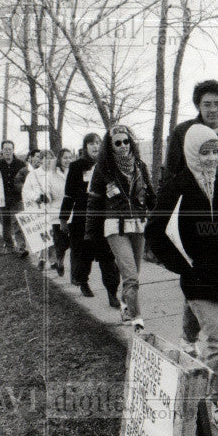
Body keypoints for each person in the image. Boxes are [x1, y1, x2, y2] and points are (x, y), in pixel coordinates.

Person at [146, 124, 218, 436]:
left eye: (214, 152)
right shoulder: (177, 186)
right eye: (204, 152)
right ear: (191, 153)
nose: (210, 158)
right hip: (199, 278)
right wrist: (183, 265)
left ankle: (187, 336)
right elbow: (155, 231)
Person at [165, 80, 218, 365]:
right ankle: (190, 340)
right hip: (196, 217)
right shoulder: (182, 133)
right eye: (207, 104)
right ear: (198, 106)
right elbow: (174, 175)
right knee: (200, 287)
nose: (213, 109)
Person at [86, 126, 156, 331]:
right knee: (130, 276)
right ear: (110, 146)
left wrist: (161, 216)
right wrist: (90, 232)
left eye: (126, 141)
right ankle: (137, 320)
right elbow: (94, 202)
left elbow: (151, 195)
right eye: (117, 143)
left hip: (138, 224)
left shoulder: (140, 166)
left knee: (134, 274)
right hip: (115, 226)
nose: (123, 146)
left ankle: (126, 305)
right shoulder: (102, 169)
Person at [59, 133, 121, 306]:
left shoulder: (108, 164)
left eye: (98, 143)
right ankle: (83, 282)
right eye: (91, 144)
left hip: (103, 218)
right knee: (83, 256)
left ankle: (112, 293)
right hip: (82, 219)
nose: (95, 147)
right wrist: (63, 219)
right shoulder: (77, 166)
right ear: (85, 147)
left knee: (108, 258)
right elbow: (69, 194)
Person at [0, 140, 27, 254]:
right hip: (2, 199)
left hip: (17, 198)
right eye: (5, 149)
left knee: (18, 223)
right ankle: (9, 245)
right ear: (2, 150)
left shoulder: (20, 164)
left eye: (10, 149)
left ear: (13, 150)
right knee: (5, 223)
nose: (8, 152)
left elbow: (27, 178)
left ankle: (21, 247)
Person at [21, 149, 55, 270]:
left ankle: (53, 259)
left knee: (52, 234)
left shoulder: (55, 173)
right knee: (42, 235)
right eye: (45, 158)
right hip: (39, 208)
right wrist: (37, 197)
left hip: (52, 208)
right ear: (41, 160)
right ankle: (42, 259)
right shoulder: (33, 175)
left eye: (51, 158)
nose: (48, 161)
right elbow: (26, 191)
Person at [48, 149, 73, 277]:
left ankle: (76, 272)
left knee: (74, 243)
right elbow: (47, 190)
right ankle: (60, 262)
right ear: (59, 159)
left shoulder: (75, 172)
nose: (67, 160)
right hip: (57, 212)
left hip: (73, 213)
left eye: (69, 157)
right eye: (64, 158)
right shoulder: (52, 174)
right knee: (60, 243)